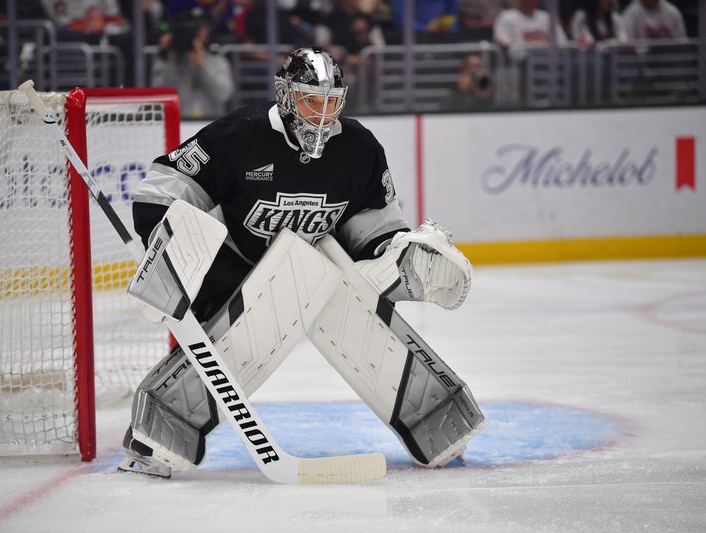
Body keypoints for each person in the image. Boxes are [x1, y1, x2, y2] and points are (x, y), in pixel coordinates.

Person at [118, 48, 474, 478]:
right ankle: (159, 434)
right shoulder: (239, 135)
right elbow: (164, 188)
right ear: (285, 97)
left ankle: (436, 420)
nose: (323, 114)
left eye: (331, 102)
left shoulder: (358, 148)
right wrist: (166, 246)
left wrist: (399, 257)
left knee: (343, 289)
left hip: (313, 270)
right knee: (249, 325)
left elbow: (371, 228)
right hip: (233, 272)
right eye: (311, 100)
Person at [151, 14, 235, 118]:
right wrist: (168, 56)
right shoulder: (166, 61)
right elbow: (160, 96)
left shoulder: (218, 61)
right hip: (177, 122)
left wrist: (203, 68)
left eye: (198, 29)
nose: (191, 35)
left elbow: (223, 95)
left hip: (211, 121)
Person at [493, 0, 568, 57]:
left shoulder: (547, 17)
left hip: (550, 59)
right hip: (521, 61)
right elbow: (504, 44)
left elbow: (563, 43)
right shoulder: (506, 17)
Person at [621, 0, 686, 40]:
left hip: (668, 58)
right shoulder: (630, 14)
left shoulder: (673, 12)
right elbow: (627, 48)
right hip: (641, 60)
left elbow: (682, 45)